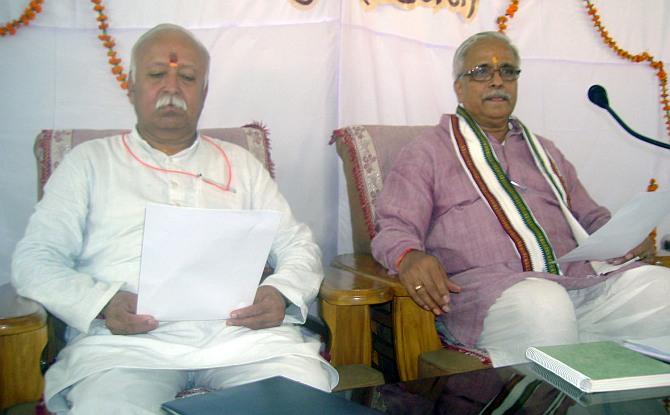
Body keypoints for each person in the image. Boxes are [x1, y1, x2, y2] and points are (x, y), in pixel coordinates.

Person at [11, 23, 337, 414]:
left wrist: (281, 293)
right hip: (126, 346)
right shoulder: (89, 163)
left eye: (187, 77)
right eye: (155, 75)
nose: (171, 88)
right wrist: (101, 303)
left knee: (302, 396)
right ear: (131, 87)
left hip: (241, 338)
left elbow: (297, 243)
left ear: (204, 92)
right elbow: (35, 259)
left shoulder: (239, 164)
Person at [371, 31, 670, 367]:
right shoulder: (428, 152)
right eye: (481, 71)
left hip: (579, 282)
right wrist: (409, 256)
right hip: (492, 294)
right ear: (459, 86)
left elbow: (592, 217)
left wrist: (626, 237)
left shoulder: (545, 151)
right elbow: (394, 227)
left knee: (663, 289)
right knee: (545, 305)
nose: (497, 80)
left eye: (508, 71)